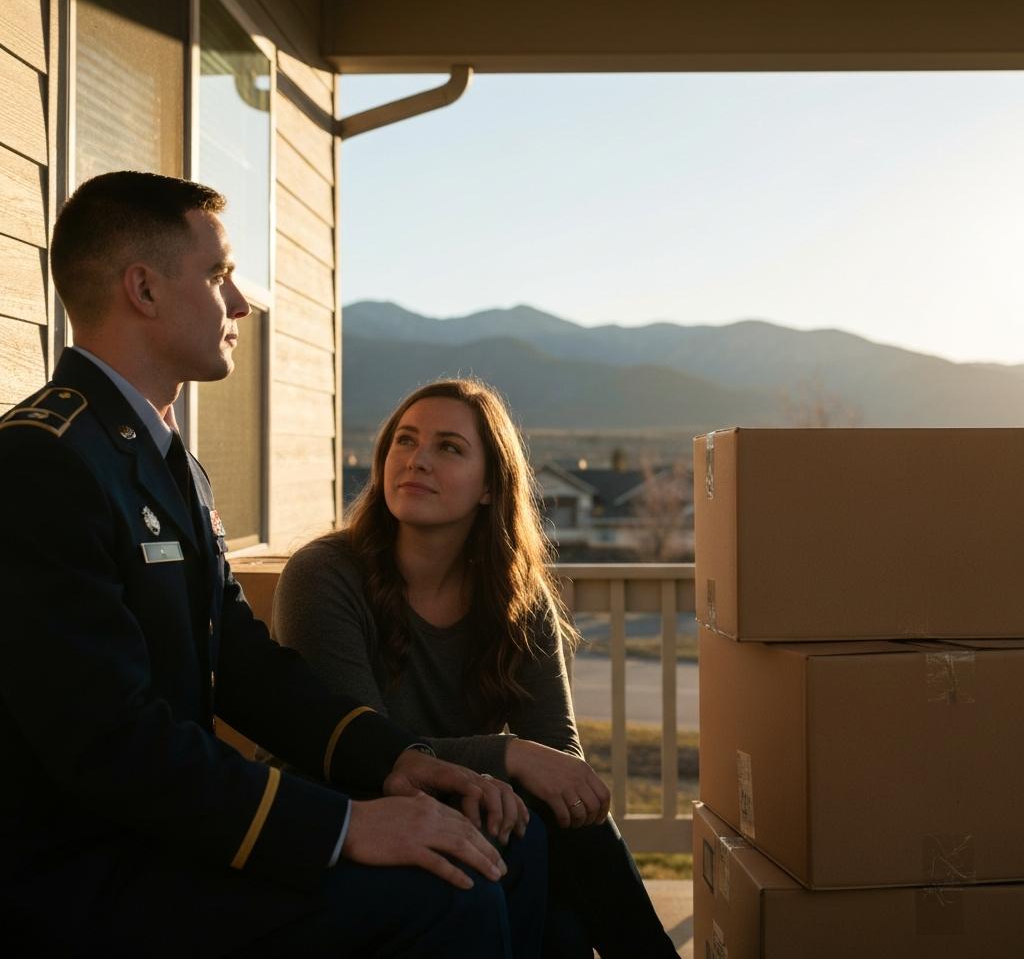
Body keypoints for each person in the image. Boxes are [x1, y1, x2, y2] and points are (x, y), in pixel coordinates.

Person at [0, 172, 546, 957]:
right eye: (219, 275)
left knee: (505, 841)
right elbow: (109, 744)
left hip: (167, 832)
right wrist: (344, 822)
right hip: (86, 870)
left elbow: (242, 664)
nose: (241, 303)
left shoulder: (164, 461)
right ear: (144, 289)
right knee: (448, 893)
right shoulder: (42, 463)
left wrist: (396, 764)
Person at [274, 378, 678, 958]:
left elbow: (559, 760)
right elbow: (362, 751)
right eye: (404, 442)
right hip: (344, 816)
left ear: (490, 486)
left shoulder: (515, 594)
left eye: (449, 447)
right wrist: (507, 755)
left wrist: (529, 768)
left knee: (562, 887)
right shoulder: (325, 575)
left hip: (471, 812)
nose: (417, 460)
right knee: (535, 857)